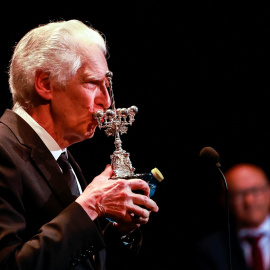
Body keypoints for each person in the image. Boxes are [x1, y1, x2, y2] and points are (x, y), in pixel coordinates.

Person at [0, 19, 159, 270]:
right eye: (92, 83)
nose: (106, 102)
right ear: (45, 84)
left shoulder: (63, 158)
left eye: (107, 87)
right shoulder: (3, 149)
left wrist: (118, 232)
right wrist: (91, 206)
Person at [196, 163, 270, 270]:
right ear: (225, 201)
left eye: (255, 191)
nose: (249, 201)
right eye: (240, 194)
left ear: (268, 191)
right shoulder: (210, 249)